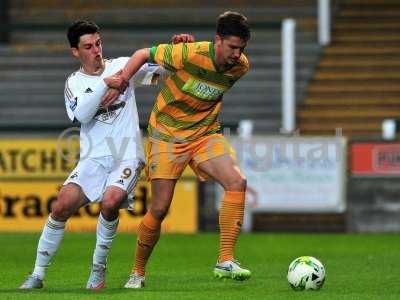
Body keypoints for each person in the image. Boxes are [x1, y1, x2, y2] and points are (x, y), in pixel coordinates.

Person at [19, 20, 193, 290]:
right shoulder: (74, 83)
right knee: (61, 205)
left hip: (126, 156)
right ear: (75, 52)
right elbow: (82, 114)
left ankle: (98, 269)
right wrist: (104, 85)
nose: (96, 50)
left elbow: (166, 71)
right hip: (93, 159)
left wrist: (180, 49)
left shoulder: (124, 66)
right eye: (88, 46)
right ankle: (37, 274)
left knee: (111, 202)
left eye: (98, 43)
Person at [104, 11, 252, 289]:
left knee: (237, 182)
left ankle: (225, 259)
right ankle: (137, 272)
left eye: (241, 48)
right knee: (159, 209)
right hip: (167, 135)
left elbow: (202, 87)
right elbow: (141, 54)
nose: (237, 54)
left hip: (205, 134)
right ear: (217, 40)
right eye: (232, 47)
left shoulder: (241, 67)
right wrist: (123, 79)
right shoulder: (190, 53)